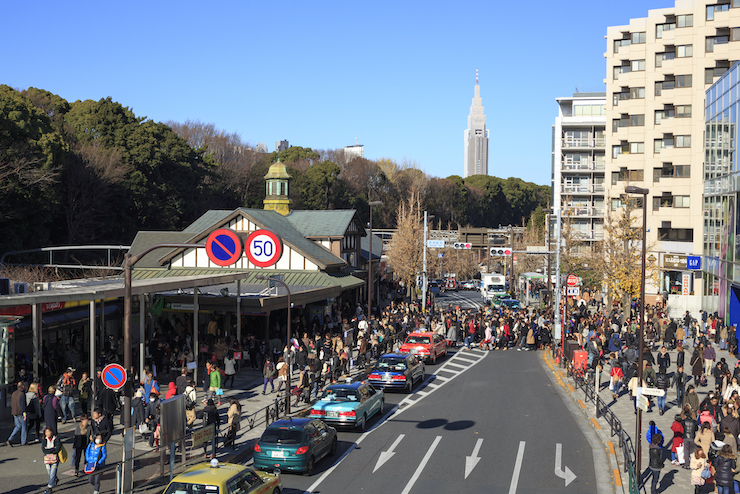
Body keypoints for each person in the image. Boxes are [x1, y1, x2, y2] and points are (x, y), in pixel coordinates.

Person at [5, 382, 27, 447]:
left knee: (17, 426)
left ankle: (10, 439)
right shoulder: (22, 394)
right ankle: (23, 441)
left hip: (14, 412)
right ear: (22, 386)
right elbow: (23, 405)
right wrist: (24, 413)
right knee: (23, 427)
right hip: (20, 412)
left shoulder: (14, 393)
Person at [41, 427, 61, 494]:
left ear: (52, 432)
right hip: (47, 459)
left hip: (55, 459)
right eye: (46, 432)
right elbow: (44, 450)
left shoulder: (56, 439)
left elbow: (58, 448)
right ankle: (55, 479)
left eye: (49, 432)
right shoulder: (44, 440)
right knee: (49, 472)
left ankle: (49, 488)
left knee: (52, 473)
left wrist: (49, 450)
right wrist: (53, 449)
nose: (48, 433)